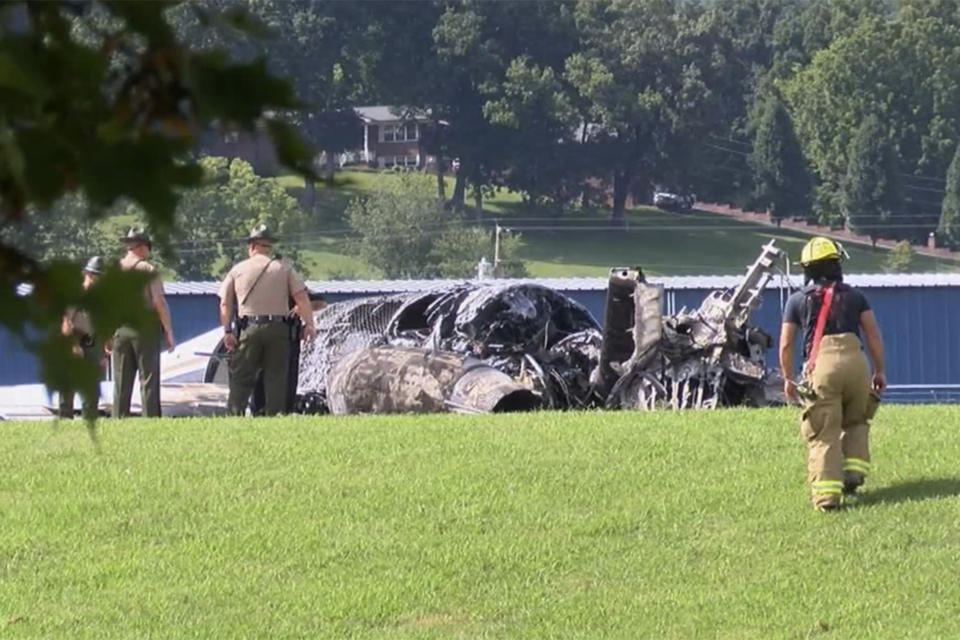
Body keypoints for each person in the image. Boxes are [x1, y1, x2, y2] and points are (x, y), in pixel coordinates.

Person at [779, 237, 886, 511]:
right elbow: (872, 335)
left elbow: (787, 344)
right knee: (857, 420)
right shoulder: (856, 296)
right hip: (856, 362)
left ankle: (827, 496)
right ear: (837, 264)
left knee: (824, 430)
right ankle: (853, 474)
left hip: (822, 367)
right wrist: (879, 370)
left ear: (807, 269)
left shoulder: (796, 301)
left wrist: (788, 378)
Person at [218, 225, 317, 416]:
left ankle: (234, 414)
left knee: (242, 376)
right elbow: (301, 298)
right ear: (268, 246)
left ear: (251, 246)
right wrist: (309, 325)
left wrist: (227, 331)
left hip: (250, 327)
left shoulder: (237, 270)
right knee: (276, 377)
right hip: (278, 329)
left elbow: (224, 303)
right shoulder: (283, 268)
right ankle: (275, 416)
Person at [111, 227, 175, 418]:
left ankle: (118, 418)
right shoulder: (147, 270)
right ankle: (151, 420)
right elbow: (159, 302)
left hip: (120, 330)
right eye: (148, 246)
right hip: (144, 330)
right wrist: (168, 330)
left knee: (121, 381)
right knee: (148, 378)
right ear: (141, 247)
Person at [59, 256, 105, 419]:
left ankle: (90, 416)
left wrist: (104, 351)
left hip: (93, 342)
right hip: (75, 340)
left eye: (98, 276)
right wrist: (73, 346)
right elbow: (67, 321)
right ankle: (65, 417)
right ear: (86, 274)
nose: (95, 279)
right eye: (93, 275)